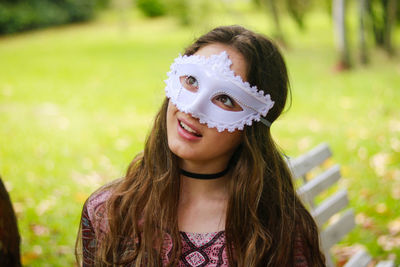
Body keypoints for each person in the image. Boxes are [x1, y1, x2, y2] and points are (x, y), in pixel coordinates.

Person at [75, 25, 326, 266]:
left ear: (254, 125)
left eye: (225, 99)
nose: (192, 109)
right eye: (192, 81)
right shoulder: (108, 212)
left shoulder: (278, 229)